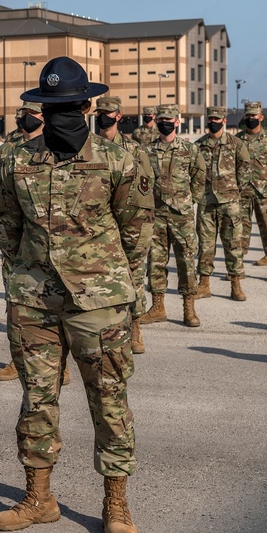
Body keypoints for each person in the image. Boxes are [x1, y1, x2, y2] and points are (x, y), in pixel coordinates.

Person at [0, 57, 151, 533]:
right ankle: (39, 499)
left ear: (86, 105)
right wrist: (22, 276)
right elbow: (7, 224)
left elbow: (137, 231)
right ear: (39, 107)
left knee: (109, 400)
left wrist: (124, 294)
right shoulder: (15, 158)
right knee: (37, 398)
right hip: (34, 299)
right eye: (50, 105)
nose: (59, 113)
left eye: (68, 105)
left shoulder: (121, 158)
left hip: (99, 301)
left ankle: (116, 503)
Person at [0, 101, 71, 385]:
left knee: (56, 307)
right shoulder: (6, 153)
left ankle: (60, 364)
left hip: (50, 245)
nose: (28, 118)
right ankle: (18, 359)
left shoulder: (57, 150)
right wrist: (8, 248)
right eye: (24, 113)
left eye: (34, 113)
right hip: (17, 247)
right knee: (17, 308)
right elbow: (1, 203)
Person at [94, 96, 155, 353]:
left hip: (128, 221)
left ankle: (136, 327)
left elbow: (145, 188)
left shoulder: (134, 150)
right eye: (100, 111)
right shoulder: (88, 147)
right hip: (97, 224)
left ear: (119, 116)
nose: (102, 116)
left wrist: (140, 227)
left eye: (107, 112)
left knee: (133, 276)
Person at [138, 104, 205, 328]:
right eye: (161, 119)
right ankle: (158, 307)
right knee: (156, 261)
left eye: (169, 119)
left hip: (181, 215)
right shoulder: (147, 150)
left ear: (177, 122)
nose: (165, 123)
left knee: (186, 260)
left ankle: (189, 307)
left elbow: (199, 175)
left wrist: (189, 201)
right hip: (156, 214)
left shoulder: (189, 149)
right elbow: (142, 180)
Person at [194, 106, 251, 301]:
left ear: (224, 120)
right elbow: (193, 172)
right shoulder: (198, 145)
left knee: (233, 243)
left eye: (217, 119)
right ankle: (204, 283)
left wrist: (236, 190)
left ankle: (236, 283)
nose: (213, 122)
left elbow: (245, 168)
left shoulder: (236, 144)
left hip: (230, 202)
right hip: (206, 202)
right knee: (205, 245)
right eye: (210, 119)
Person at [236, 101, 267, 282]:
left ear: (261, 117)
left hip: (266, 192)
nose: (250, 118)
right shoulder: (238, 139)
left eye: (254, 115)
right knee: (239, 230)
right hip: (243, 192)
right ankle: (237, 267)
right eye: (248, 115)